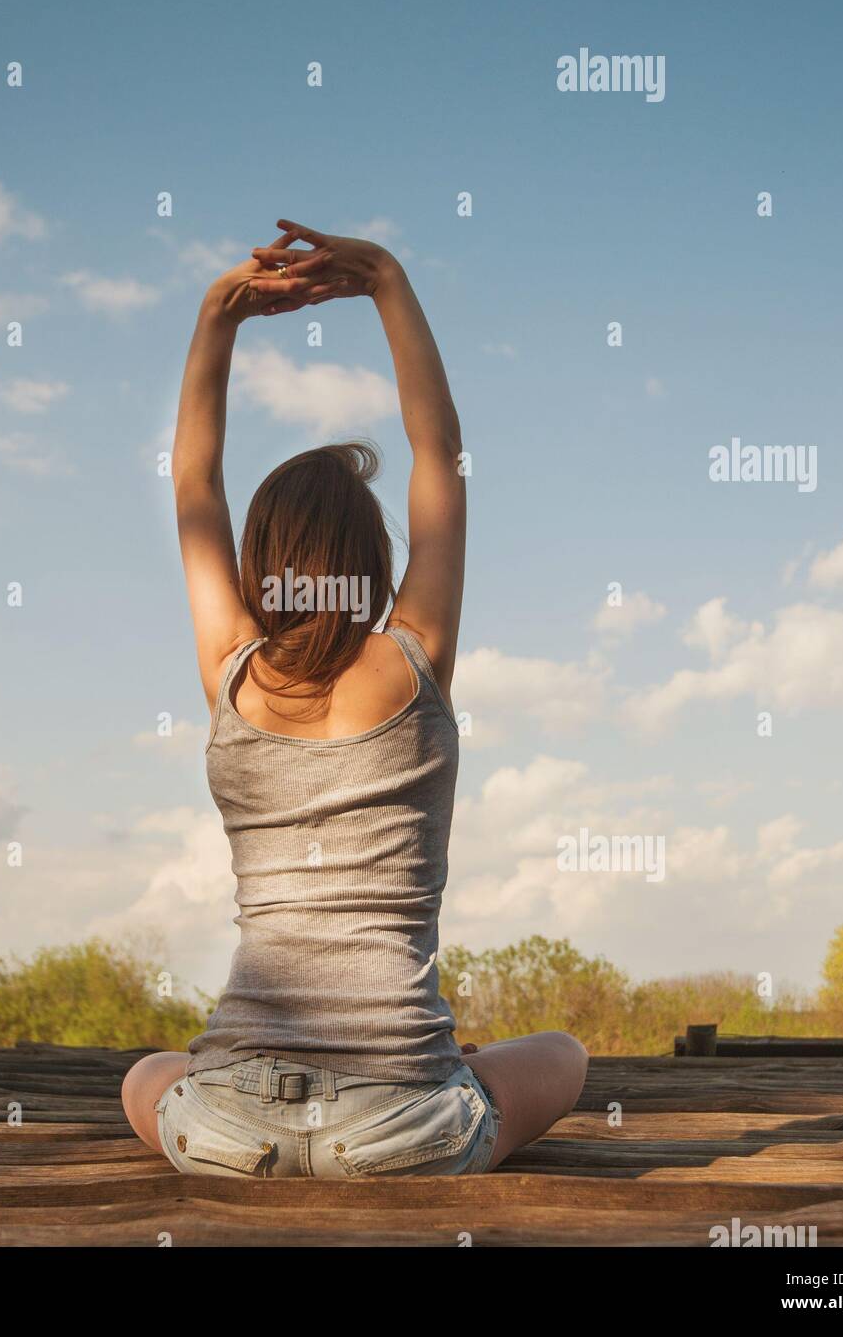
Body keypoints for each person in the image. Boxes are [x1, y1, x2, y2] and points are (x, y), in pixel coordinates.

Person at [121, 220, 588, 1177]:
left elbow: (193, 481)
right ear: (374, 564)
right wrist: (383, 279)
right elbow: (439, 452)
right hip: (401, 1134)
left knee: (149, 1072)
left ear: (260, 568)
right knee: (564, 1056)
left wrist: (221, 314)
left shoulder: (232, 672)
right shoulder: (416, 658)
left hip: (229, 1129)